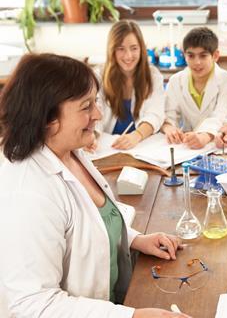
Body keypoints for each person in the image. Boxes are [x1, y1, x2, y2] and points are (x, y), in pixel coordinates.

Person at [0, 53, 189, 318]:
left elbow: (93, 223)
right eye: (86, 106)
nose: (98, 114)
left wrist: (136, 240)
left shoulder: (70, 153)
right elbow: (34, 304)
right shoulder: (28, 192)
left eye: (95, 103)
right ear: (47, 118)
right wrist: (132, 317)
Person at [94, 20, 166, 150]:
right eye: (121, 49)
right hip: (107, 148)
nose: (128, 56)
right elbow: (93, 113)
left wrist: (136, 135)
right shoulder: (99, 75)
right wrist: (92, 137)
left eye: (134, 48)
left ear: (142, 49)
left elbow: (155, 114)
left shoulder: (153, 76)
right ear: (112, 50)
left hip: (141, 146)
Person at [160, 27, 227, 149]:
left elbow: (221, 115)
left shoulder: (226, 80)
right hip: (185, 145)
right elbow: (169, 115)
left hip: (215, 143)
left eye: (203, 56)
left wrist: (205, 136)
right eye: (191, 56)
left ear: (215, 55)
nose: (197, 62)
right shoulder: (176, 81)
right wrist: (170, 128)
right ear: (184, 55)